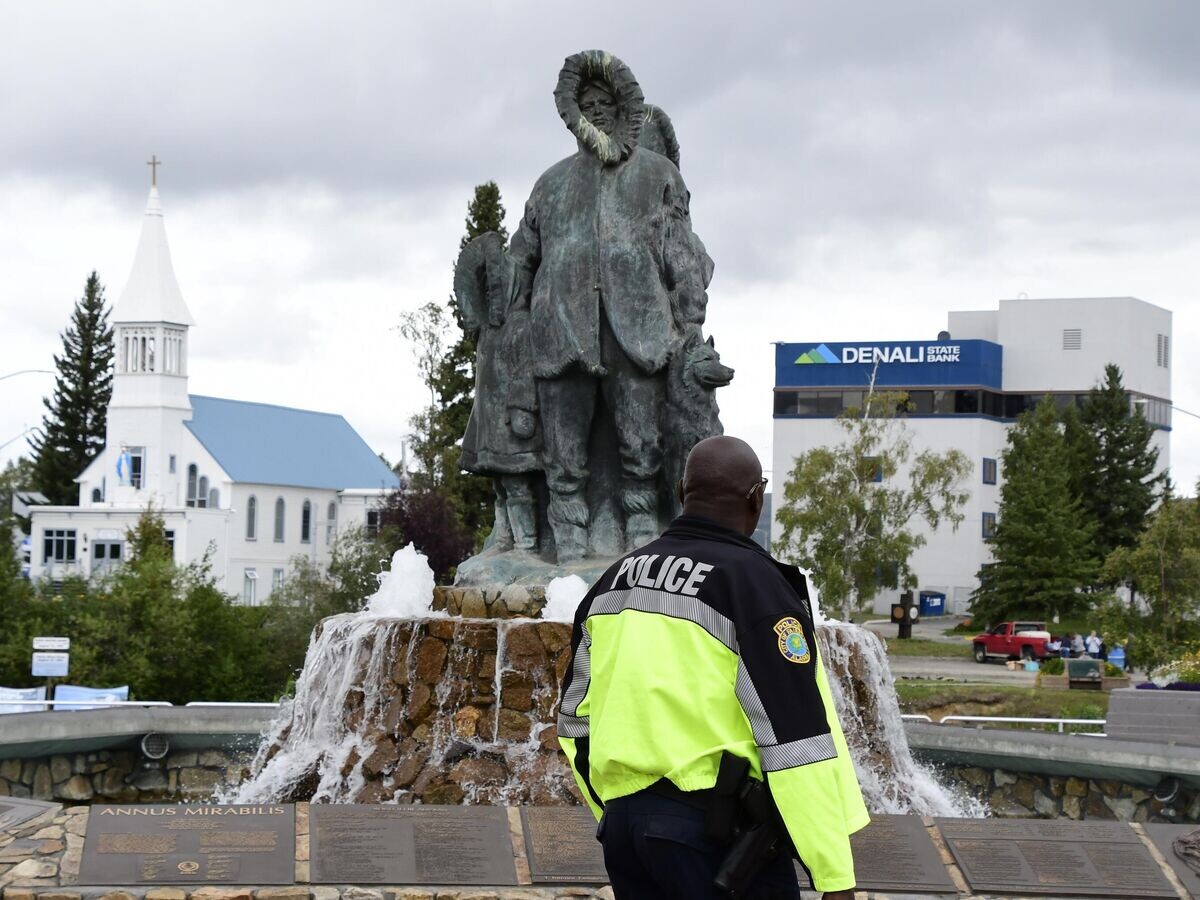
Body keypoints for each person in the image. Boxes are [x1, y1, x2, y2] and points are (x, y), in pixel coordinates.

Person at [557, 435, 866, 899]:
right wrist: (834, 875)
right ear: (756, 498)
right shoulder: (756, 589)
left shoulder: (612, 582)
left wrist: (616, 809)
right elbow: (797, 742)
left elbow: (573, 721)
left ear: (682, 493)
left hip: (627, 835)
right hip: (717, 845)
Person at [509, 51, 713, 560]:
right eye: (588, 103)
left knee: (640, 440)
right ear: (573, 114)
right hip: (561, 330)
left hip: (639, 333)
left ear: (625, 107)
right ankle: (569, 536)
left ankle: (643, 526)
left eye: (606, 102)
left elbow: (682, 253)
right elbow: (523, 260)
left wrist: (688, 323)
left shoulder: (658, 174)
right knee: (564, 445)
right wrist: (509, 323)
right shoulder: (550, 183)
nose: (597, 111)